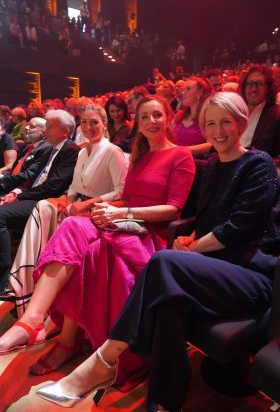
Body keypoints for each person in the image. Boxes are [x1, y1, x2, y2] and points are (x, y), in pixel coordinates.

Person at [35, 92, 280, 410]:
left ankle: (104, 360)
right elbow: (208, 221)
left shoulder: (258, 163)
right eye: (211, 124)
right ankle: (163, 403)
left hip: (251, 277)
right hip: (213, 268)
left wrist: (190, 246)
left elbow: (236, 230)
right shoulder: (217, 164)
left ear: (242, 122)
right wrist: (191, 237)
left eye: (226, 122)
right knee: (166, 303)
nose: (218, 131)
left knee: (163, 261)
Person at [0, 95, 195, 394]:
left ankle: (65, 340)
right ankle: (32, 320)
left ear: (168, 117)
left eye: (157, 115)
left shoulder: (180, 155)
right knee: (73, 225)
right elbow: (125, 196)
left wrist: (122, 212)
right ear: (138, 124)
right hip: (124, 219)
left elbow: (173, 210)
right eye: (144, 117)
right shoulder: (140, 155)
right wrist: (108, 210)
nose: (151, 122)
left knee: (94, 251)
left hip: (148, 230)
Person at [8, 104, 127, 316]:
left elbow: (121, 191)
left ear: (104, 124)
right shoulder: (82, 153)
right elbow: (73, 187)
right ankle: (24, 286)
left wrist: (86, 204)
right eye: (84, 122)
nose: (89, 127)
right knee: (44, 210)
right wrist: (71, 202)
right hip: (77, 206)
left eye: (94, 122)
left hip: (98, 210)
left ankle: (38, 298)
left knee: (45, 211)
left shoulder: (112, 151)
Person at [0, 109, 79, 293]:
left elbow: (53, 186)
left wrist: (19, 196)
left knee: (1, 216)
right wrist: (15, 193)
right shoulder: (52, 148)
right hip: (35, 196)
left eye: (50, 127)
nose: (46, 131)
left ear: (65, 132)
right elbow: (34, 180)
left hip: (48, 201)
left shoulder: (70, 150)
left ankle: (4, 280)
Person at [238, 65, 280, 158]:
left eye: (260, 84)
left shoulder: (277, 115)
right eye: (250, 83)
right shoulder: (235, 112)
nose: (254, 89)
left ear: (268, 88)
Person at [172, 76, 213, 157]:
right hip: (175, 159)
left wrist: (182, 151)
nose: (183, 92)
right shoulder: (179, 115)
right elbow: (168, 136)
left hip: (196, 163)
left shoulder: (208, 116)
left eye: (188, 89)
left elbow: (212, 144)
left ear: (200, 92)